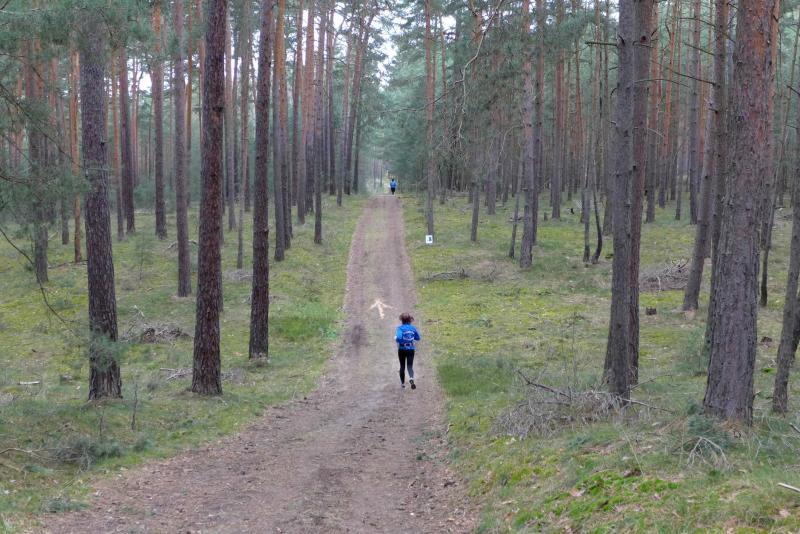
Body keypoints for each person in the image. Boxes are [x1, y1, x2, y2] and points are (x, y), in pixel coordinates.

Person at [395, 312, 420, 389]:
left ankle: (403, 384)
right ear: (410, 320)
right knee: (409, 366)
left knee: (402, 366)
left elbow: (399, 337)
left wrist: (396, 339)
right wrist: (411, 337)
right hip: (411, 349)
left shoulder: (400, 328)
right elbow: (418, 338)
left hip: (402, 349)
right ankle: (411, 378)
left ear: (402, 320)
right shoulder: (413, 328)